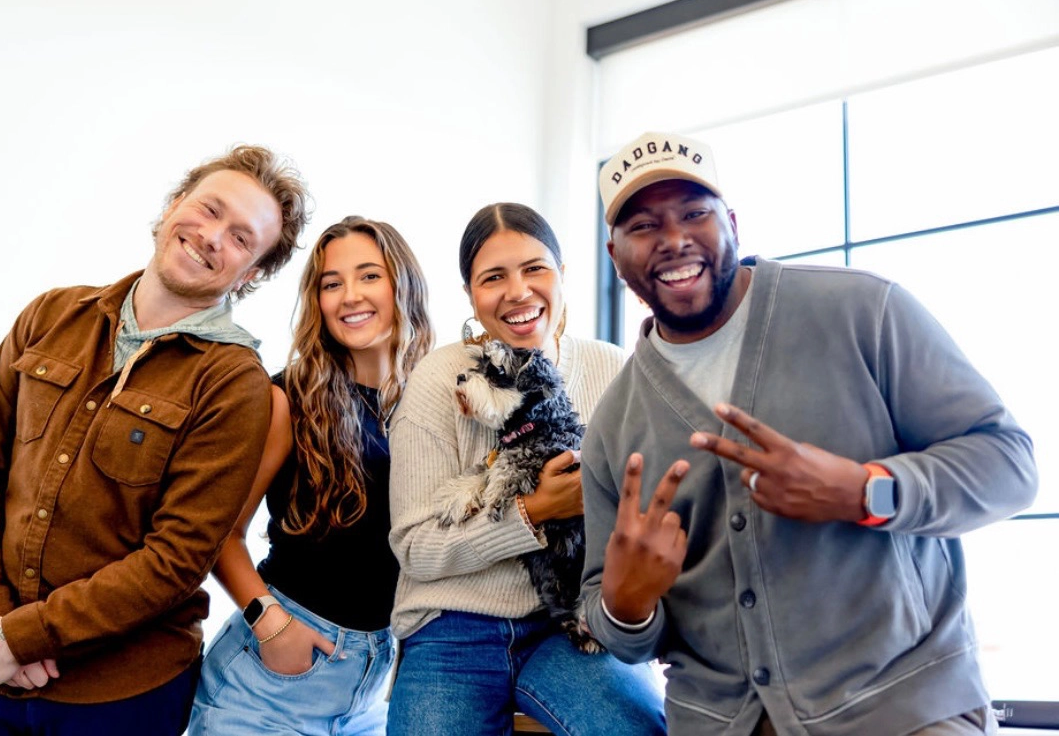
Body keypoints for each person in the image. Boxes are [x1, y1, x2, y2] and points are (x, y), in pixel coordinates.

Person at [580, 131, 1039, 735]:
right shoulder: (612, 425)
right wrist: (627, 604)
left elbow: (1010, 465)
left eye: (694, 213)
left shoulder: (863, 311)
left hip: (901, 710)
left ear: (733, 223)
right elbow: (609, 615)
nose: (673, 239)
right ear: (615, 255)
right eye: (643, 226)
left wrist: (865, 491)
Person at [0, 145, 311, 736]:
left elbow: (176, 560)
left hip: (123, 695)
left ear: (255, 272)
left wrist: (21, 636)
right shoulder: (51, 314)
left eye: (241, 238)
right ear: (173, 206)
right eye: (208, 209)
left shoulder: (236, 385)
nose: (213, 236)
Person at [387, 203, 667, 735]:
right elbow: (414, 548)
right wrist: (533, 512)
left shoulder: (611, 367)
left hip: (572, 626)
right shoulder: (438, 380)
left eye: (535, 268)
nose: (517, 292)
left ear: (564, 276)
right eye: (494, 277)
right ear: (471, 295)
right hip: (453, 628)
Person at [188, 216, 434, 735]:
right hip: (268, 688)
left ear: (401, 284)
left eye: (369, 276)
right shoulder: (286, 398)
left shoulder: (430, 401)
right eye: (331, 283)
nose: (350, 296)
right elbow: (216, 534)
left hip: (370, 693)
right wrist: (272, 625)